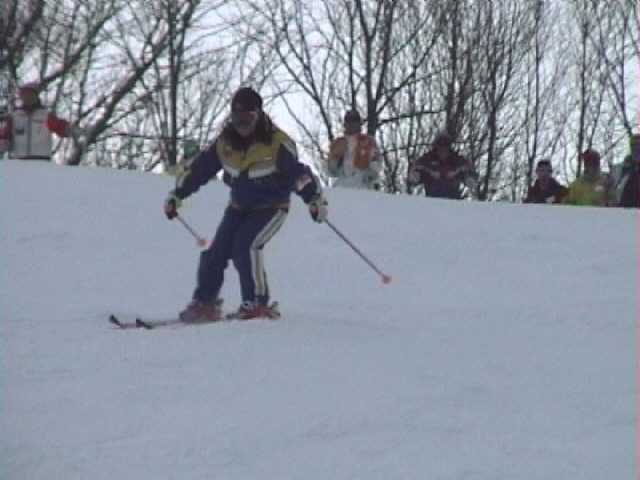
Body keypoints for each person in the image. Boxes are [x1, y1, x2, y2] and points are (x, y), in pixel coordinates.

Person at [163, 87, 328, 321]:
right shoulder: (225, 143)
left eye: (247, 118)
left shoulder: (276, 144)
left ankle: (256, 303)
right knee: (215, 253)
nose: (241, 125)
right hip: (238, 208)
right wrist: (177, 195)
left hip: (271, 207)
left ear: (258, 115)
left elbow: (299, 175)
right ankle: (205, 303)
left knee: (246, 247)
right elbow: (199, 170)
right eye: (236, 118)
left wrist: (314, 200)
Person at [0, 82, 83, 161]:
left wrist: (71, 129)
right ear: (21, 97)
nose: (28, 97)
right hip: (18, 160)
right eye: (25, 95)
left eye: (31, 94)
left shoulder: (45, 115)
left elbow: (59, 126)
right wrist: (3, 143)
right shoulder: (14, 116)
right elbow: (4, 134)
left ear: (36, 96)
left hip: (41, 160)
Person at [408, 132, 476, 199]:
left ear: (449, 147)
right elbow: (416, 171)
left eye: (445, 145)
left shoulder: (457, 160)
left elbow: (469, 172)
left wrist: (469, 178)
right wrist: (415, 176)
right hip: (432, 199)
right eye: (440, 145)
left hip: (453, 199)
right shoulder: (427, 160)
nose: (443, 149)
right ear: (436, 146)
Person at [327, 109, 382, 190]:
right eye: (348, 121)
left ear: (359, 123)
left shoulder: (369, 141)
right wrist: (336, 157)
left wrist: (370, 172)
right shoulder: (337, 143)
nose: (351, 124)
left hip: (362, 184)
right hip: (342, 184)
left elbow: (376, 166)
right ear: (345, 124)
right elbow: (331, 171)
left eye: (354, 120)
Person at [620, 134, 640, 208]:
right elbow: (622, 183)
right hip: (627, 203)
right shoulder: (627, 162)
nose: (636, 149)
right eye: (634, 146)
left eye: (638, 146)